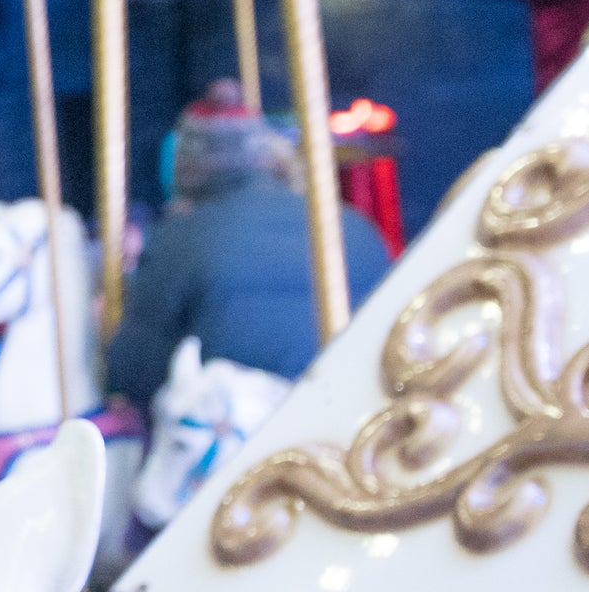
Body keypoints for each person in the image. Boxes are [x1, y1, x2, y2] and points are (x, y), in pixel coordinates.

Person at [103, 79, 394, 399]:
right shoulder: (356, 226)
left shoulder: (180, 239)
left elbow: (135, 374)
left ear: (184, 170)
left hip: (245, 437)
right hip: (356, 407)